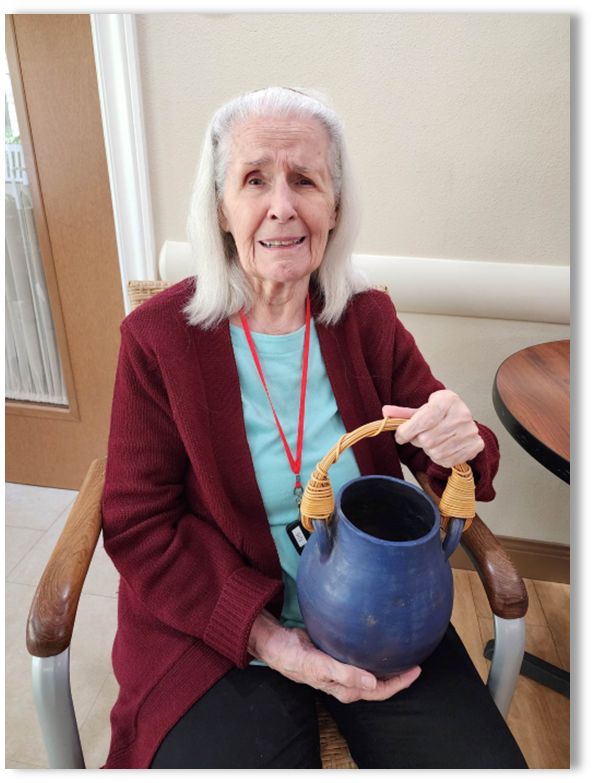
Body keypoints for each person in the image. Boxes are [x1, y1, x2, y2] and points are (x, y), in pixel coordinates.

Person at [101, 86, 528, 769]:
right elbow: (137, 521)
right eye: (254, 179)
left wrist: (458, 443)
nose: (281, 205)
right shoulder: (157, 341)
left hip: (381, 612)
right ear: (220, 208)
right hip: (224, 633)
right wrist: (268, 637)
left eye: (305, 179)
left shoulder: (363, 319)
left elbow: (445, 445)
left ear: (334, 206)